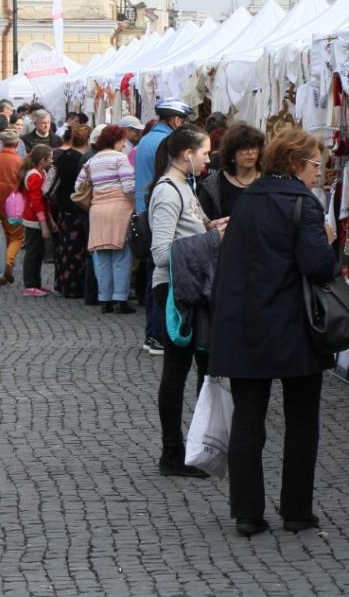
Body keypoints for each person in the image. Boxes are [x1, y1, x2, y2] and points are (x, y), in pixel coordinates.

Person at [208, 127, 337, 537]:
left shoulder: (248, 200)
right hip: (295, 326)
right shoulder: (304, 204)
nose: (320, 173)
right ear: (297, 164)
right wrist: (329, 244)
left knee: (249, 420)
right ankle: (297, 510)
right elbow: (318, 266)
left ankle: (248, 512)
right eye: (317, 165)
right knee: (302, 421)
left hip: (246, 323)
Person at [148, 123, 227, 477]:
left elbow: (188, 232)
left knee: (196, 368)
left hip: (192, 288)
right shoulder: (168, 192)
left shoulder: (185, 186)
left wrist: (211, 228)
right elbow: (161, 253)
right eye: (205, 153)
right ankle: (172, 452)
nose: (208, 159)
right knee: (176, 372)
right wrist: (210, 241)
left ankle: (194, 448)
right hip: (175, 291)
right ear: (187, 155)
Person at [136, 98, 191, 356]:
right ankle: (159, 334)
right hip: (162, 209)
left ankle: (151, 333)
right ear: (176, 120)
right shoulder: (167, 142)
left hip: (145, 208)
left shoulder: (146, 139)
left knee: (152, 276)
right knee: (162, 275)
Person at [79, 125, 136, 313]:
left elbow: (78, 186)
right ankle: (120, 298)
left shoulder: (92, 161)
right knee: (121, 255)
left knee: (101, 255)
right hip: (119, 210)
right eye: (122, 141)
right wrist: (135, 205)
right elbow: (128, 186)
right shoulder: (120, 159)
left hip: (97, 210)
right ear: (116, 141)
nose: (124, 145)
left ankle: (105, 299)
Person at [50, 124, 91, 298]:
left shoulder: (62, 156)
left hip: (62, 206)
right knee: (77, 248)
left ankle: (63, 283)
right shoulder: (81, 160)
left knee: (64, 246)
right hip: (76, 207)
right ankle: (75, 285)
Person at [198, 123, 264, 220]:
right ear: (232, 153)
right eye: (244, 148)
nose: (250, 152)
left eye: (254, 147)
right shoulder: (214, 184)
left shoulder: (269, 179)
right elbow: (204, 223)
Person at [0, 129, 26, 286]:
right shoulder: (20, 161)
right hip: (14, 204)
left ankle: (1, 268)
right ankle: (9, 263)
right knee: (17, 237)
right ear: (17, 143)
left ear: (1, 142)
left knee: (2, 235)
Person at [20, 144, 54, 297]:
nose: (51, 161)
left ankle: (36, 283)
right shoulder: (35, 175)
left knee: (38, 252)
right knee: (33, 252)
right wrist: (44, 225)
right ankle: (30, 284)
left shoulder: (40, 173)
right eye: (50, 158)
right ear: (42, 160)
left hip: (37, 218)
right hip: (34, 220)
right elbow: (37, 202)